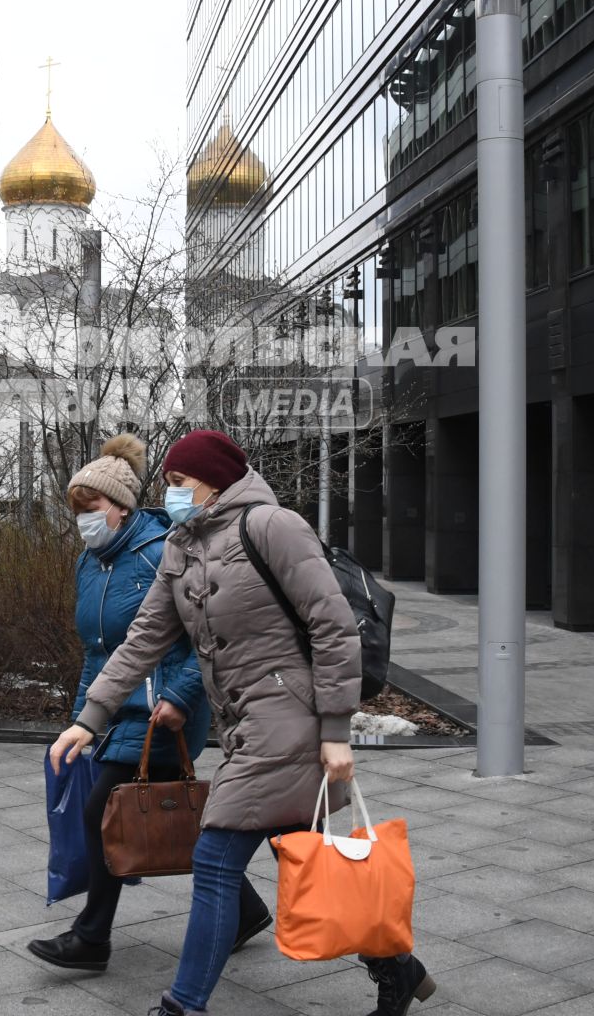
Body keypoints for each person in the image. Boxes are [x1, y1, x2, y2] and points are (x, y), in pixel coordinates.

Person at [48, 429, 434, 1016]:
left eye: (178, 484)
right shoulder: (181, 545)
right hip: (243, 726)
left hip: (288, 723)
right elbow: (144, 638)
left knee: (216, 857)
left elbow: (332, 628)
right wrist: (89, 719)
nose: (171, 495)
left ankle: (183, 1005)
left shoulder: (272, 526)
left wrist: (335, 732)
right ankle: (398, 969)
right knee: (305, 856)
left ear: (211, 479)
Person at [30, 434, 274, 972]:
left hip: (165, 709)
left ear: (119, 507)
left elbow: (195, 636)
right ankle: (246, 909)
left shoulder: (161, 548)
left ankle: (93, 938)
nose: (83, 521)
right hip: (120, 711)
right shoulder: (88, 565)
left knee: (108, 811)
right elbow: (98, 654)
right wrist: (83, 722)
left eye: (90, 509)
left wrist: (182, 696)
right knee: (168, 815)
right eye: (75, 511)